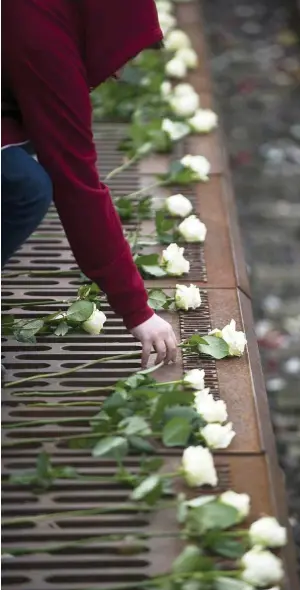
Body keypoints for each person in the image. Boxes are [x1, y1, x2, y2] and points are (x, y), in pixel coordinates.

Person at [1, 0, 177, 368]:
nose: (118, 72)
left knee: (28, 142)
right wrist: (137, 311)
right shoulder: (42, 38)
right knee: (25, 186)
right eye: (124, 52)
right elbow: (75, 179)